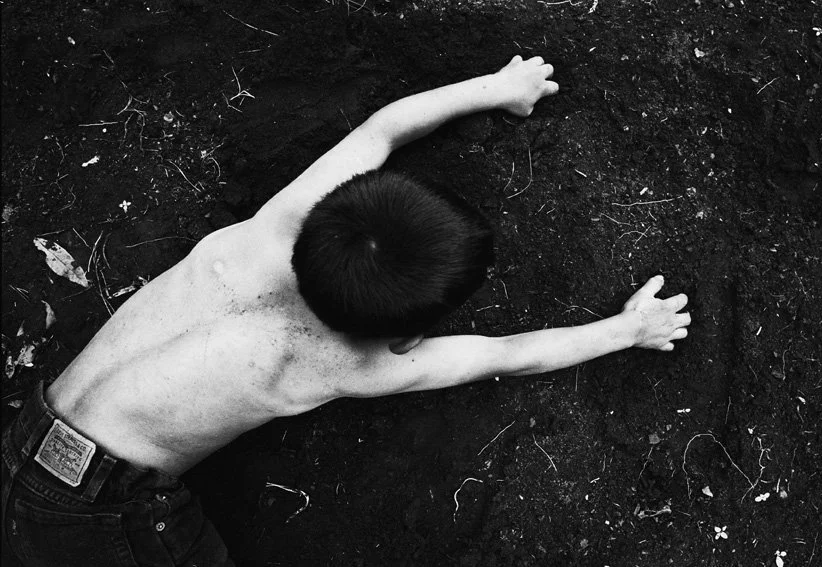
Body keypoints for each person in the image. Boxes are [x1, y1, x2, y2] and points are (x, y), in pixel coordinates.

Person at [1, 55, 690, 566]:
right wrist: (629, 328)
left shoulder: (271, 230)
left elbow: (381, 129)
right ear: (406, 335)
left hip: (30, 434)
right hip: (97, 515)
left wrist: (499, 88)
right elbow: (508, 355)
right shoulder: (330, 362)